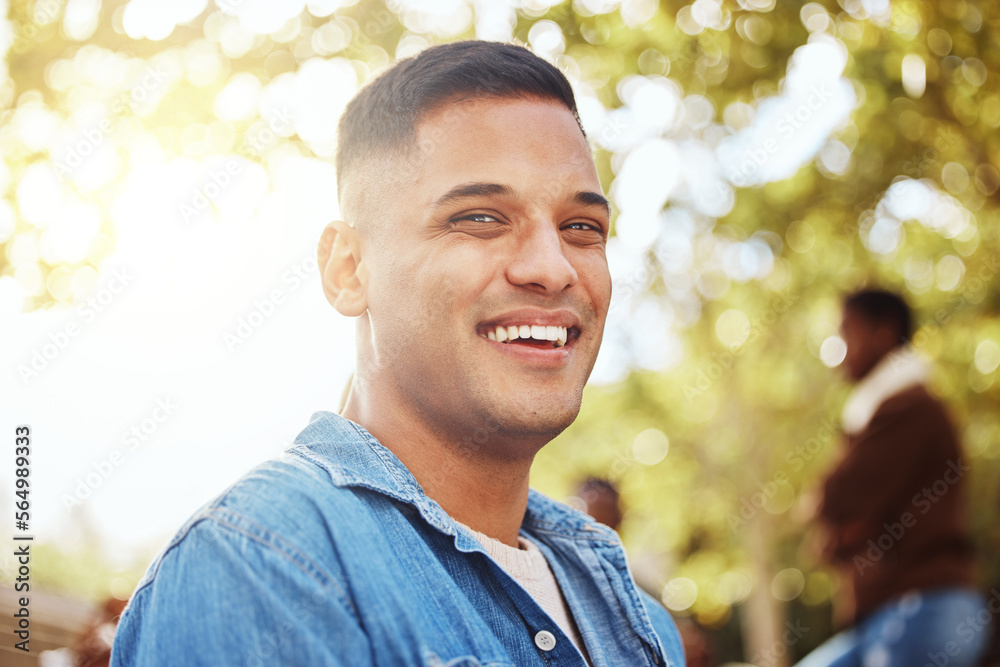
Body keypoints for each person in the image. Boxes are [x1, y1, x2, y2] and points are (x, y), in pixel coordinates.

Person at [111, 41, 685, 666]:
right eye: (481, 218)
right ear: (349, 269)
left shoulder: (644, 625)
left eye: (581, 228)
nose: (552, 268)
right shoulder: (263, 562)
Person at [796, 288, 987, 667]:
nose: (839, 349)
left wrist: (831, 513)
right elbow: (838, 532)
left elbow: (836, 496)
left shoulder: (909, 407)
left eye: (848, 332)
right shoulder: (878, 411)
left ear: (884, 333)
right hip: (885, 618)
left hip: (923, 608)